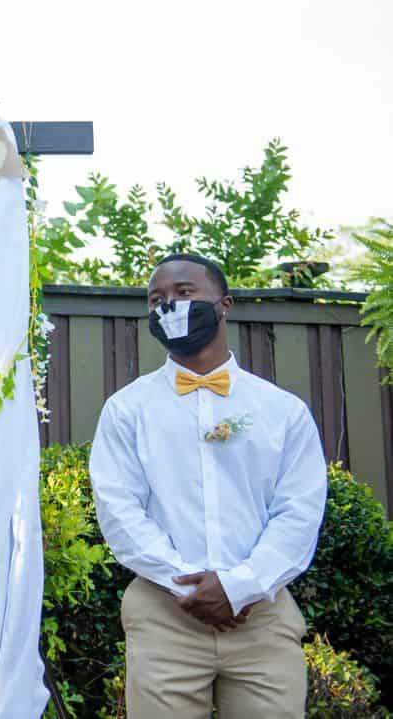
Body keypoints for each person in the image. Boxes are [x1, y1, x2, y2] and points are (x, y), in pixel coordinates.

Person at [89, 254, 328, 718]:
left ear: (224, 305)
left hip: (262, 617)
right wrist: (188, 586)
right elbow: (120, 511)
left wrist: (240, 586)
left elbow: (299, 513)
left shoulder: (283, 411)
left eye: (184, 293)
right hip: (164, 616)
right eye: (156, 299)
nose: (169, 306)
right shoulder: (126, 410)